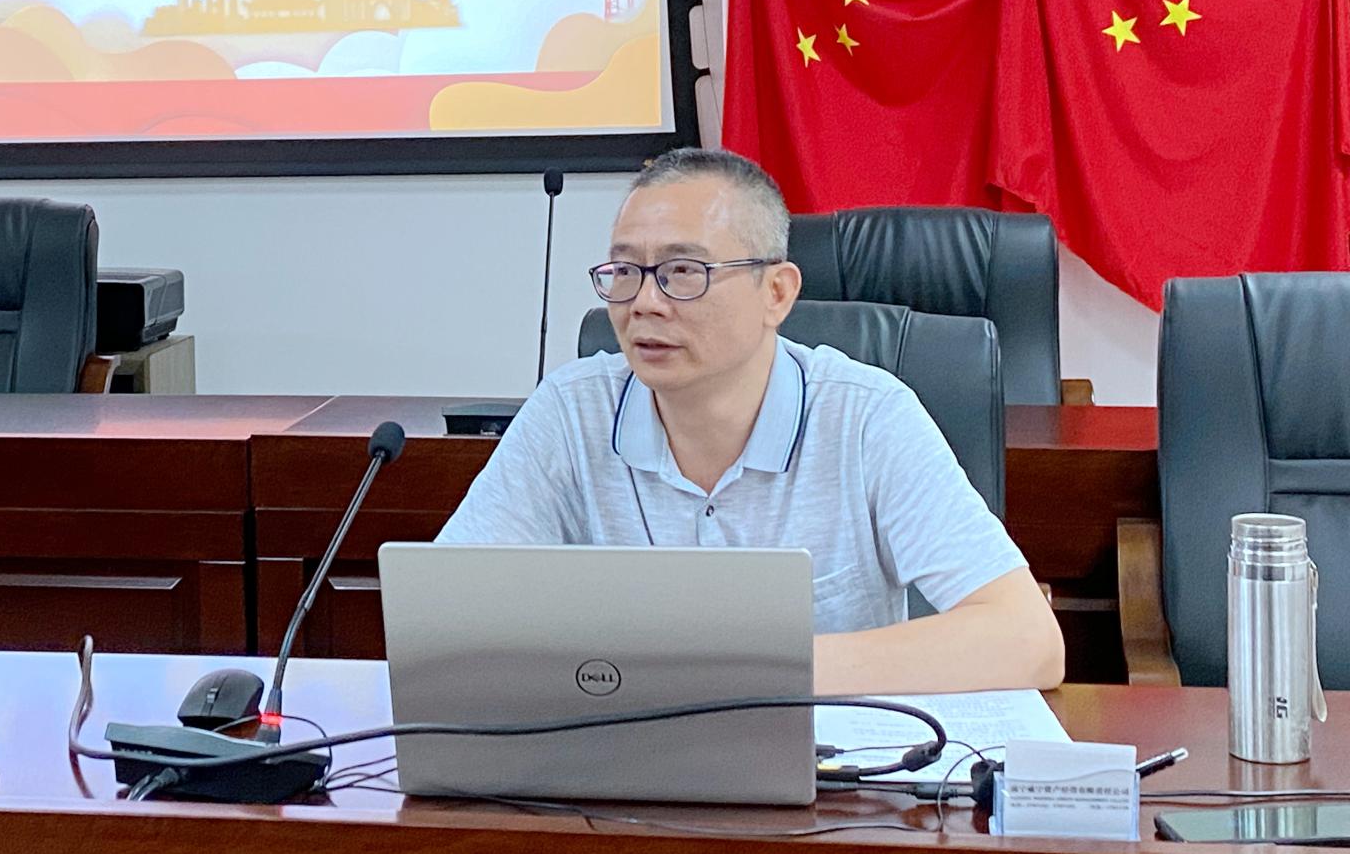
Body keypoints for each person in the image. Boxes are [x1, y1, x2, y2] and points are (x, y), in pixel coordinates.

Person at [438, 148, 1064, 694]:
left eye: (683, 272)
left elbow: (1027, 639)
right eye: (625, 271)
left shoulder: (867, 417)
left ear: (777, 293)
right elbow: (448, 617)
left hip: (825, 770)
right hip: (623, 760)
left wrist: (756, 674)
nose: (644, 303)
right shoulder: (570, 412)